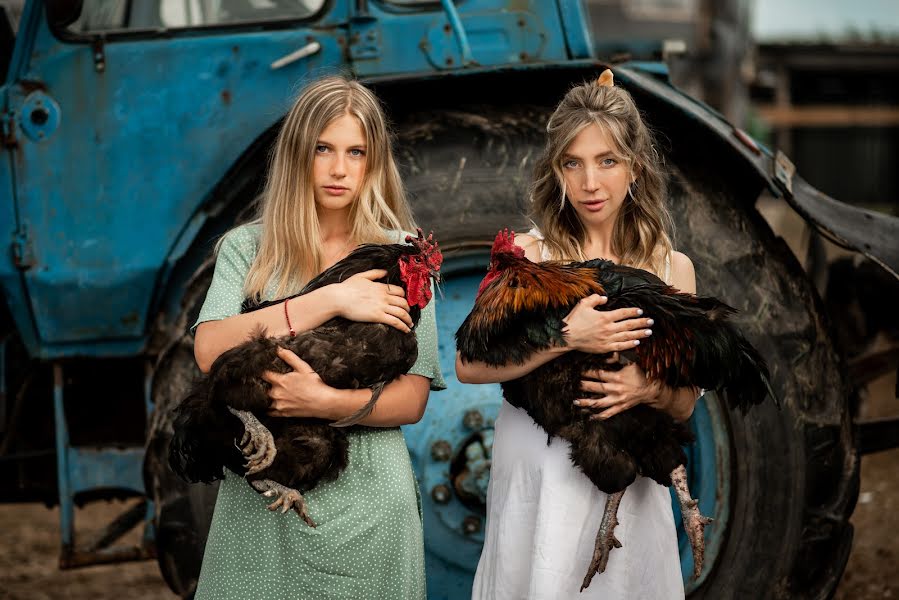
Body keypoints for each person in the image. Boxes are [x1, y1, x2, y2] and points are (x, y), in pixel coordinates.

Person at [190, 75, 445, 599]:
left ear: (374, 162)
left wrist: (324, 401)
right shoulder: (249, 248)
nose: (338, 168)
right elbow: (209, 350)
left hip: (370, 498)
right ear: (297, 155)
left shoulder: (403, 255)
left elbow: (412, 397)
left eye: (356, 151)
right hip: (262, 500)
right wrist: (329, 300)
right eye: (323, 149)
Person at [458, 70, 700, 599]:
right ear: (557, 171)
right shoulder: (528, 255)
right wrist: (567, 337)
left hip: (627, 482)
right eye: (574, 163)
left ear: (634, 168)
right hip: (539, 474)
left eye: (607, 161)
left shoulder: (670, 268)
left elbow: (683, 406)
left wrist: (648, 390)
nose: (590, 183)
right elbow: (468, 365)